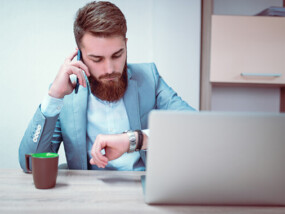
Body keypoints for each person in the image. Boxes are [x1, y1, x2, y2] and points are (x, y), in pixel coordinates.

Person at [19, 1, 195, 172]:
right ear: (79, 56)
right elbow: (30, 165)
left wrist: (134, 140)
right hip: (87, 193)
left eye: (117, 55)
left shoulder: (149, 77)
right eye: (97, 59)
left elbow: (195, 130)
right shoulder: (65, 94)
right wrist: (53, 96)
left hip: (141, 188)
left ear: (126, 45)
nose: (110, 69)